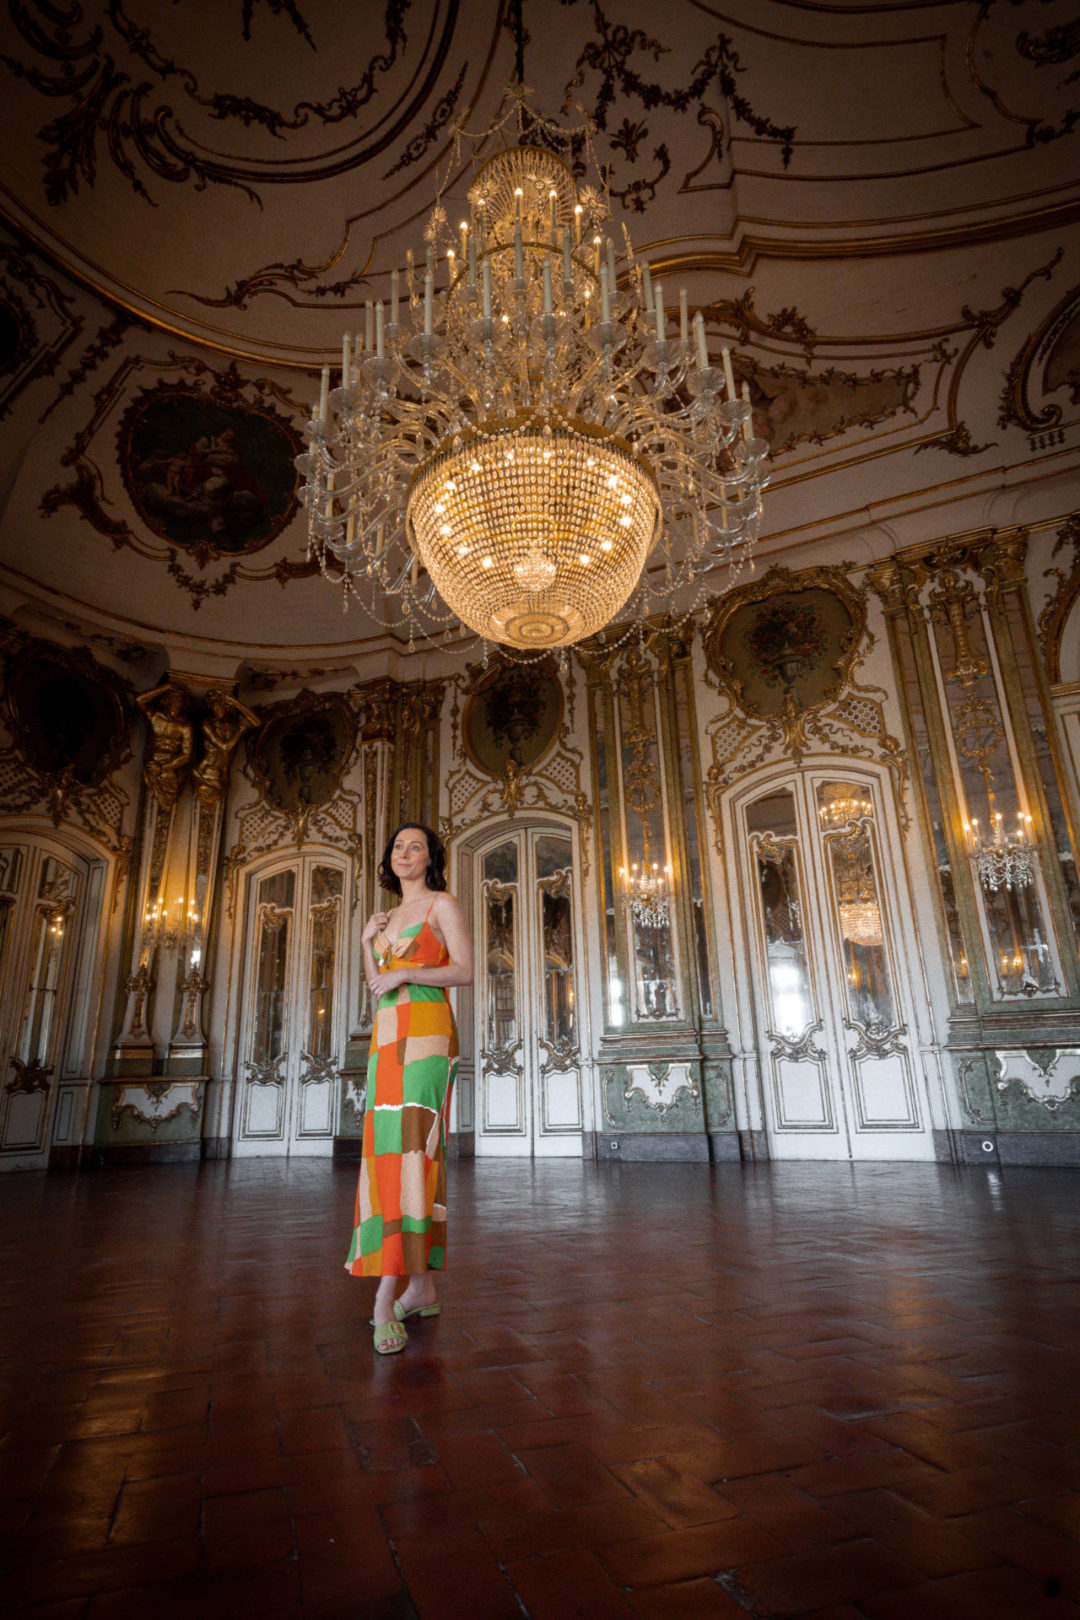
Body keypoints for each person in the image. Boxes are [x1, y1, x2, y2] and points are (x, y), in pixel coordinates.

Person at [345, 823, 473, 1355]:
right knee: (382, 1152)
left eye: (415, 846)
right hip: (386, 1037)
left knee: (413, 1152)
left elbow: (464, 971)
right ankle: (420, 1284)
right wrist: (364, 946)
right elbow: (377, 982)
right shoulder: (384, 918)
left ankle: (386, 1294)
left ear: (430, 858)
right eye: (397, 846)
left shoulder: (442, 905)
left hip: (425, 1036)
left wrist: (407, 975)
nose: (404, 852)